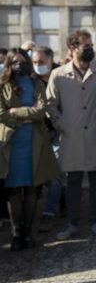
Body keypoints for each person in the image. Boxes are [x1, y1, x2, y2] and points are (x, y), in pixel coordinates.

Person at [46, 30, 96, 241]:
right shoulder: (58, 75)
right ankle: (72, 222)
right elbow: (50, 104)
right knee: (72, 180)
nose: (90, 49)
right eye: (86, 45)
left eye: (91, 44)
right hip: (71, 136)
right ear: (73, 49)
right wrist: (61, 124)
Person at [0, 48, 59, 251]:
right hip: (12, 143)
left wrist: (17, 112)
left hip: (35, 141)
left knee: (32, 188)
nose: (19, 65)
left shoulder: (36, 83)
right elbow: (1, 114)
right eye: (15, 62)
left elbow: (41, 110)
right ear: (9, 64)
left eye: (23, 61)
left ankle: (28, 232)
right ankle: (17, 233)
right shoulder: (2, 84)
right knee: (14, 190)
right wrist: (26, 115)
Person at [31, 46, 63, 232]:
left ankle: (49, 212)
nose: (38, 66)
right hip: (37, 132)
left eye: (41, 62)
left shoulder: (60, 77)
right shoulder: (30, 80)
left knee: (55, 174)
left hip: (58, 131)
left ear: (51, 60)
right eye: (35, 62)